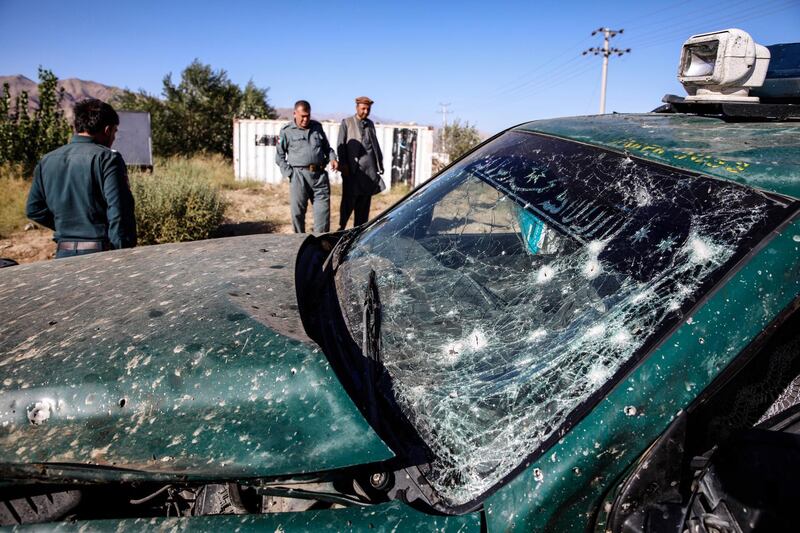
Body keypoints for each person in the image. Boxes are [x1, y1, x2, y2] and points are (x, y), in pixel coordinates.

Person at [26, 98, 137, 259]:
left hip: (63, 253)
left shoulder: (47, 160)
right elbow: (119, 210)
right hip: (101, 253)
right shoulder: (107, 158)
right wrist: (122, 253)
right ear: (107, 130)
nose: (113, 139)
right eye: (114, 132)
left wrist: (67, 226)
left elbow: (34, 209)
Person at [276, 100, 338, 233]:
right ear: (294, 114)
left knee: (323, 215)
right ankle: (299, 243)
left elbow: (328, 149)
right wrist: (290, 174)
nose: (305, 119)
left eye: (308, 116)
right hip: (299, 177)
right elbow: (279, 157)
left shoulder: (317, 127)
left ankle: (320, 246)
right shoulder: (287, 131)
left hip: (319, 177)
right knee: (297, 214)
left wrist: (333, 159)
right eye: (302, 116)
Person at [336, 96, 384, 230]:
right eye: (363, 108)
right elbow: (341, 145)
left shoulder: (370, 124)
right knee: (348, 204)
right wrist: (344, 165)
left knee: (363, 207)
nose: (365, 112)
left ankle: (359, 232)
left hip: (368, 174)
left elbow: (375, 145)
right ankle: (341, 229)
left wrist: (379, 164)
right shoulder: (347, 122)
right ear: (357, 107)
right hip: (352, 172)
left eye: (368, 109)